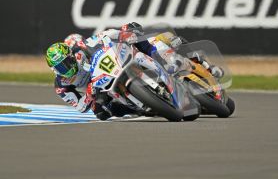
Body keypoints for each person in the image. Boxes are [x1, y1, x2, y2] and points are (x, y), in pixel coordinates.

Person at [46, 22, 223, 120]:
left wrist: (124, 32)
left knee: (147, 40)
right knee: (102, 113)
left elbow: (105, 35)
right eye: (60, 67)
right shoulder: (61, 86)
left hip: (114, 66)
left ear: (72, 55)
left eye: (67, 62)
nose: (66, 69)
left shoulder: (83, 48)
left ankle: (191, 62)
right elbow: (81, 107)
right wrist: (91, 97)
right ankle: (143, 108)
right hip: (101, 89)